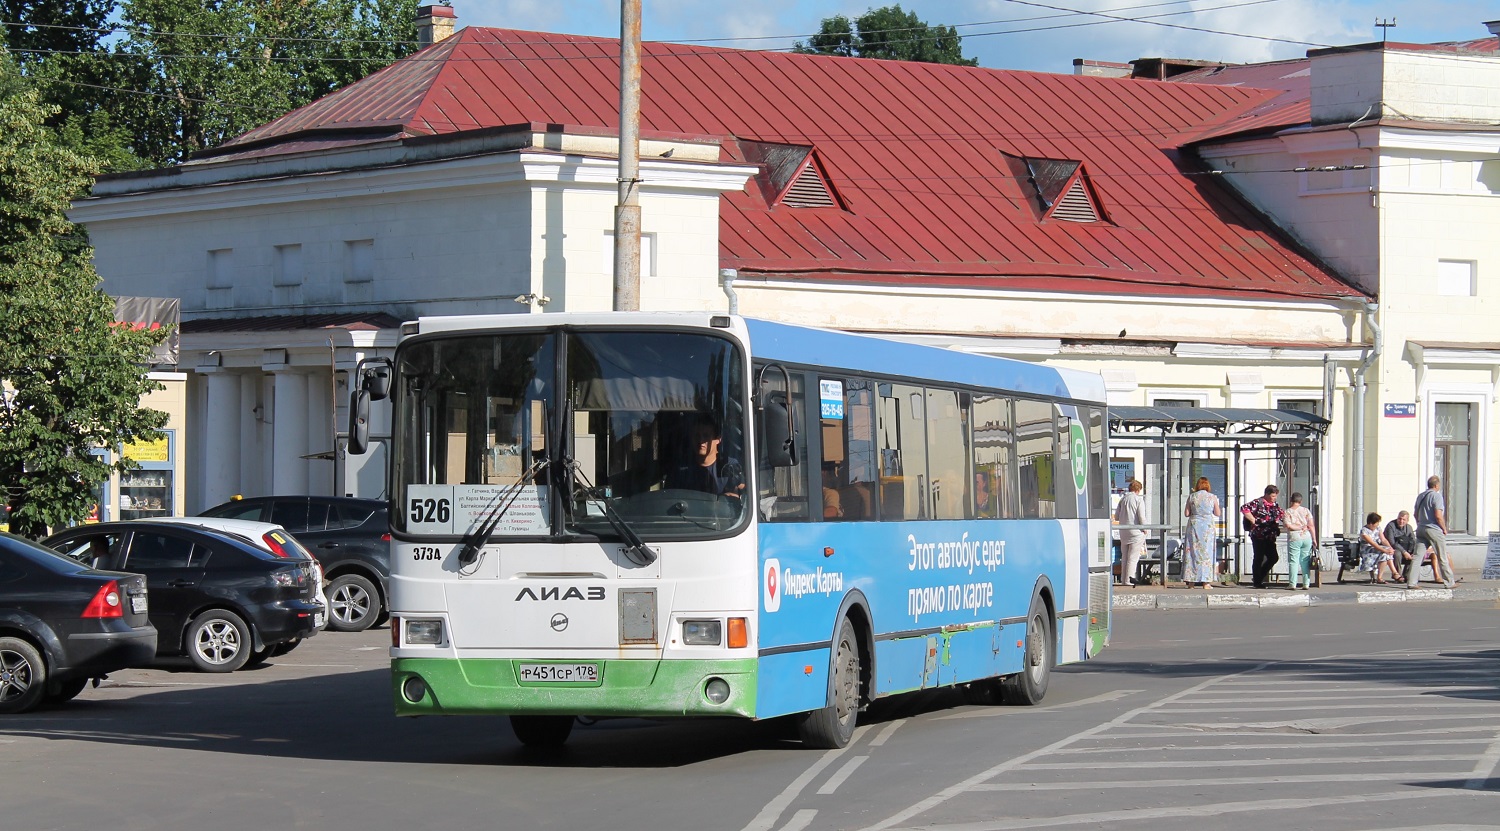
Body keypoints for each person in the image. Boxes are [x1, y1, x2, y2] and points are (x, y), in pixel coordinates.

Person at [666, 417, 745, 499]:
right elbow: (669, 497)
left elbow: (744, 492)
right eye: (697, 436)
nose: (701, 441)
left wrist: (734, 497)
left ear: (718, 439)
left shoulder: (729, 466)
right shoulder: (680, 469)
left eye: (706, 436)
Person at [1414, 476, 1456, 589]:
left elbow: (1415, 514)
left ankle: (1412, 582)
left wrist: (1419, 524)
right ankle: (1449, 582)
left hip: (1421, 528)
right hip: (1433, 529)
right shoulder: (1436, 496)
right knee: (1442, 555)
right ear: (1437, 485)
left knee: (1417, 557)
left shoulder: (1421, 496)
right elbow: (1438, 515)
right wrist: (1444, 528)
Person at [1241, 485, 1285, 588]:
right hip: (1258, 534)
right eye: (1273, 496)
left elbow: (1282, 515)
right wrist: (1253, 520)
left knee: (1273, 557)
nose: (1274, 498)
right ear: (1267, 494)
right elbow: (1244, 508)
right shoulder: (1258, 502)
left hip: (1270, 536)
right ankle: (1257, 582)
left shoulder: (1274, 505)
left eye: (1275, 496)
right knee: (1259, 557)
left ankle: (1259, 576)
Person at [1182, 476, 1220, 590]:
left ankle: (1191, 582)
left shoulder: (1192, 496)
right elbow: (1217, 513)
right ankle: (1206, 582)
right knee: (1207, 554)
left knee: (1192, 553)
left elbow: (1187, 513)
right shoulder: (1212, 497)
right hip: (1207, 528)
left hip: (1194, 526)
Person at [1114, 479, 1147, 587]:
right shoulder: (1138, 500)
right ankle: (1129, 579)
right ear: (1138, 489)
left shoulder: (1123, 499)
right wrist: (1145, 528)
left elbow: (1117, 516)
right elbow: (1141, 516)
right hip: (1136, 532)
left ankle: (1124, 579)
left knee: (1124, 557)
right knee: (1133, 557)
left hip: (1124, 531)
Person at [1282, 491, 1316, 591]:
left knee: (1293, 561)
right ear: (1300, 501)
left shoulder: (1288, 512)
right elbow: (1311, 525)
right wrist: (1314, 539)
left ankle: (1292, 584)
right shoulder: (1306, 510)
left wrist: (1297, 528)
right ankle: (1306, 583)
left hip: (1294, 538)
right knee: (1305, 561)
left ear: (1291, 500)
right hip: (1307, 537)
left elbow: (1288, 525)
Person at [1357, 512, 1400, 583]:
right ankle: (1394, 573)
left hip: (1378, 549)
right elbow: (1372, 543)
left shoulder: (1378, 528)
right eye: (1376, 523)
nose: (1377, 524)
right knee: (1385, 553)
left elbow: (1383, 539)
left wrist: (1390, 548)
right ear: (1371, 523)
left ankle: (1384, 576)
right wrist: (1384, 550)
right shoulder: (1364, 531)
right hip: (1367, 550)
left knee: (1385, 554)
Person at [1386, 510, 1421, 587]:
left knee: (1414, 554)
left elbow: (1413, 540)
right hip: (1393, 548)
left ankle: (1406, 575)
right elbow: (1392, 542)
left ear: (1407, 520)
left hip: (1406, 548)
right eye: (1399, 519)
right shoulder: (1391, 526)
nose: (1401, 521)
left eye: (1404, 519)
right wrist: (1404, 552)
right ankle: (1398, 575)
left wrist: (1411, 551)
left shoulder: (1409, 528)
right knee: (1397, 554)